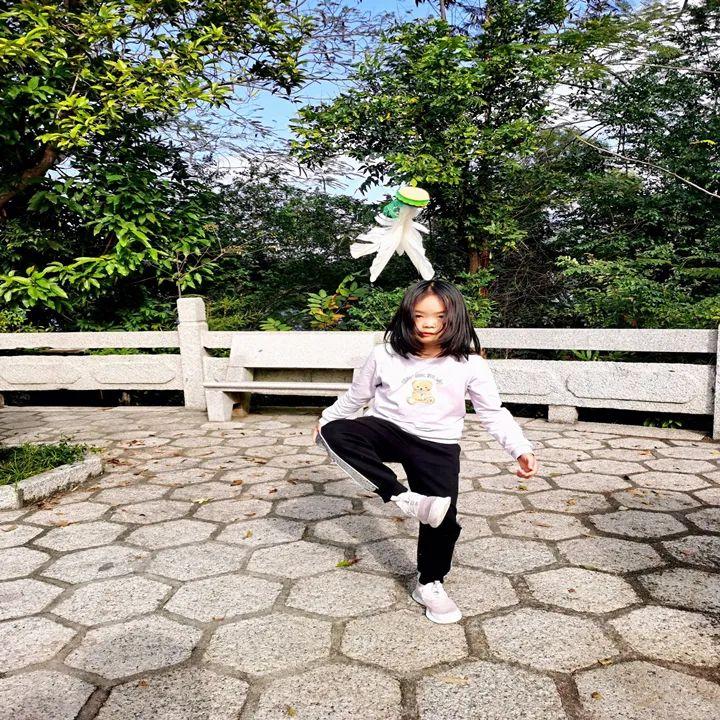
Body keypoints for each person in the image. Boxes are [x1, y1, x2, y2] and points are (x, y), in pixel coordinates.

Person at [312, 279, 538, 624]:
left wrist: (520, 448)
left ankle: (430, 582)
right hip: (387, 430)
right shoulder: (383, 355)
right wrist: (326, 420)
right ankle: (404, 498)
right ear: (407, 316)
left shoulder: (470, 363)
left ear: (455, 317)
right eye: (419, 315)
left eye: (439, 316)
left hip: (438, 443)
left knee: (443, 518)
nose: (428, 324)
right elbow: (356, 397)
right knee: (334, 432)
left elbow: (492, 412)